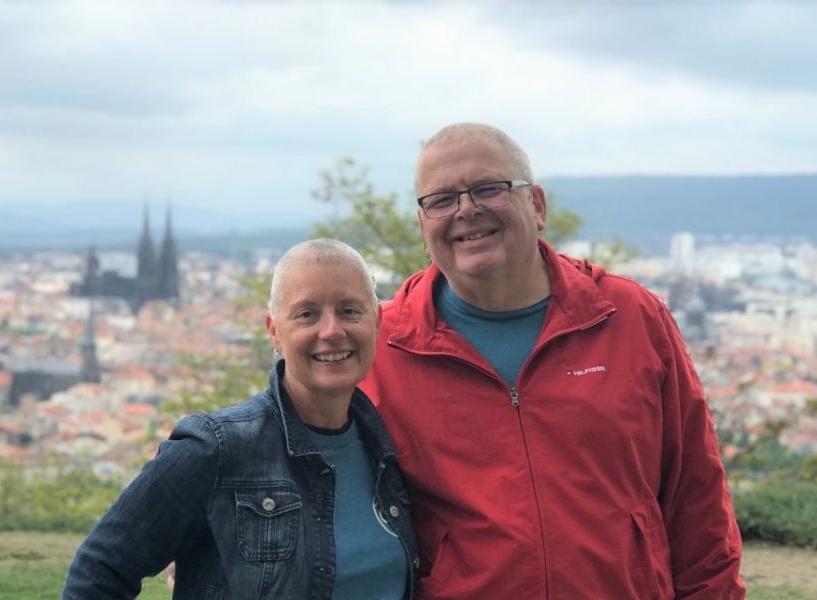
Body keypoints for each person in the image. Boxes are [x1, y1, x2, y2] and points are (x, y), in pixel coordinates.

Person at [359, 123, 745, 599]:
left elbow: (697, 500)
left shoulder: (629, 317)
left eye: (488, 188)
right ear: (423, 226)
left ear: (537, 205)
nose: (466, 210)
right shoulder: (383, 347)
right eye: (441, 200)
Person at [62, 238, 419, 599]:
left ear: (376, 322)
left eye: (349, 311)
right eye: (307, 314)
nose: (331, 331)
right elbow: (99, 572)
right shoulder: (215, 448)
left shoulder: (387, 447)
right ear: (274, 331)